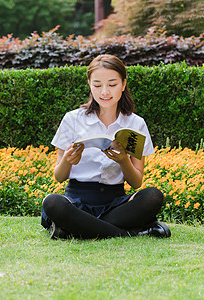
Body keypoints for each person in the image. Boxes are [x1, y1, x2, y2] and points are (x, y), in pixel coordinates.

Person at [41, 54, 171, 239]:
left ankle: (75, 229)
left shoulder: (136, 124)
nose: (104, 92)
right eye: (97, 85)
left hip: (116, 203)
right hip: (77, 201)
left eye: (112, 84)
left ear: (123, 84)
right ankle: (133, 232)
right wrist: (68, 161)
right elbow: (59, 177)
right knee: (53, 203)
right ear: (89, 84)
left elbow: (136, 182)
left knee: (153, 197)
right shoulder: (73, 119)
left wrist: (123, 160)